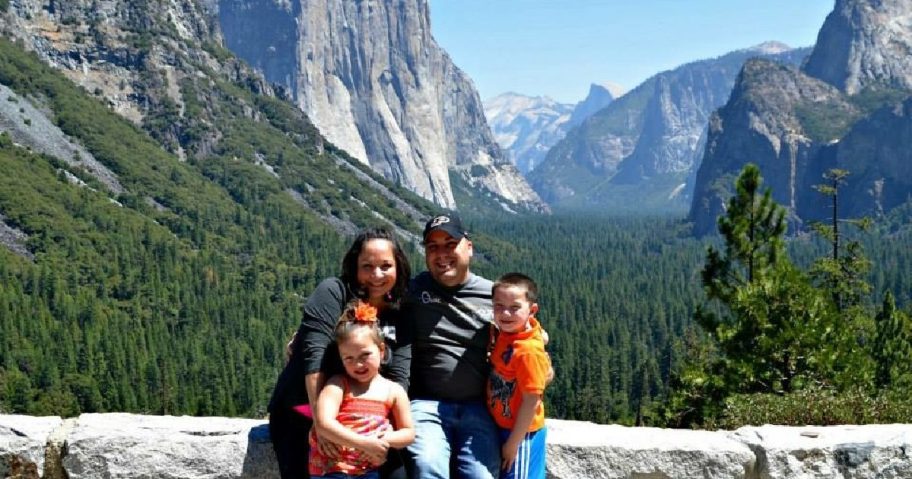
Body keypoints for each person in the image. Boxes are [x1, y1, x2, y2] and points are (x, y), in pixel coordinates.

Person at [268, 228, 412, 479]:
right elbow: (314, 357)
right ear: (354, 267)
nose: (376, 275)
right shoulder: (333, 292)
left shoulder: (400, 315)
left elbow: (400, 375)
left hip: (369, 420)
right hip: (305, 410)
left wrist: (381, 435)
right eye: (367, 266)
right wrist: (321, 426)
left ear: (398, 267)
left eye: (386, 266)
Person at [402, 212, 502, 478]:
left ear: (468, 247)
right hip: (426, 405)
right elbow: (367, 303)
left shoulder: (494, 296)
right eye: (433, 247)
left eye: (450, 244)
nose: (441, 254)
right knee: (427, 465)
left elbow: (527, 338)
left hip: (478, 408)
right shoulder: (412, 290)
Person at [310, 301, 416, 478]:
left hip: (369, 470)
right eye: (348, 358)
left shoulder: (394, 391)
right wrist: (364, 444)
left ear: (381, 351)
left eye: (365, 355)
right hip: (332, 469)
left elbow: (408, 433)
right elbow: (323, 423)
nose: (357, 364)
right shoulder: (338, 385)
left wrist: (383, 441)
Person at [487, 273, 549, 479]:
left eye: (514, 308)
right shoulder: (510, 332)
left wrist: (513, 443)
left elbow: (532, 400)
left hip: (522, 434)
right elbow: (539, 333)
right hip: (504, 425)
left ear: (532, 310)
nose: (505, 313)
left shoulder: (528, 351)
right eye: (498, 306)